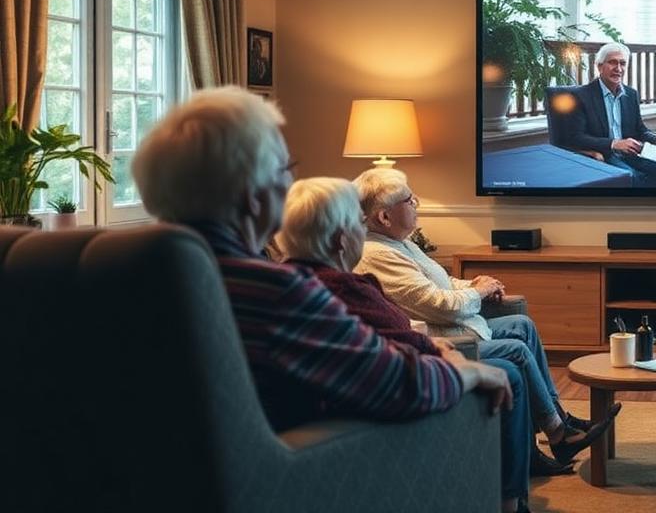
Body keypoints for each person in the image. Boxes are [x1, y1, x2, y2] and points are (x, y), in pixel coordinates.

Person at [130, 87, 513, 439]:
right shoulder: (274, 291)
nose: (290, 184)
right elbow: (399, 384)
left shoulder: (132, 279)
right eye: (287, 169)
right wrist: (466, 370)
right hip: (302, 469)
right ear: (253, 195)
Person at [277, 177, 538, 512]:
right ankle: (509, 505)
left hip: (360, 393)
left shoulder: (292, 282)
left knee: (516, 339)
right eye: (358, 223)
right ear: (342, 240)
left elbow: (380, 337)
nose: (364, 233)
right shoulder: (347, 288)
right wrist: (443, 353)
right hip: (383, 404)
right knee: (508, 372)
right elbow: (394, 348)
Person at [352, 167, 618, 467]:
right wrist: (478, 293)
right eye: (408, 200)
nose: (417, 203)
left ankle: (558, 418)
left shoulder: (402, 243)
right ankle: (558, 435)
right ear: (384, 217)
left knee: (522, 326)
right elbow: (440, 304)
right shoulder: (378, 255)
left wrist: (476, 284)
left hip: (455, 327)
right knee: (516, 349)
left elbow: (443, 283)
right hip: (443, 339)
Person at [562, 42, 656, 187]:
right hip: (604, 154)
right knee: (633, 177)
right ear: (599, 66)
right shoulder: (581, 96)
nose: (618, 69)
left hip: (632, 153)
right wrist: (614, 144)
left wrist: (655, 138)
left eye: (622, 63)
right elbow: (576, 137)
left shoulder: (631, 94)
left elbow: (640, 129)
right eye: (612, 62)